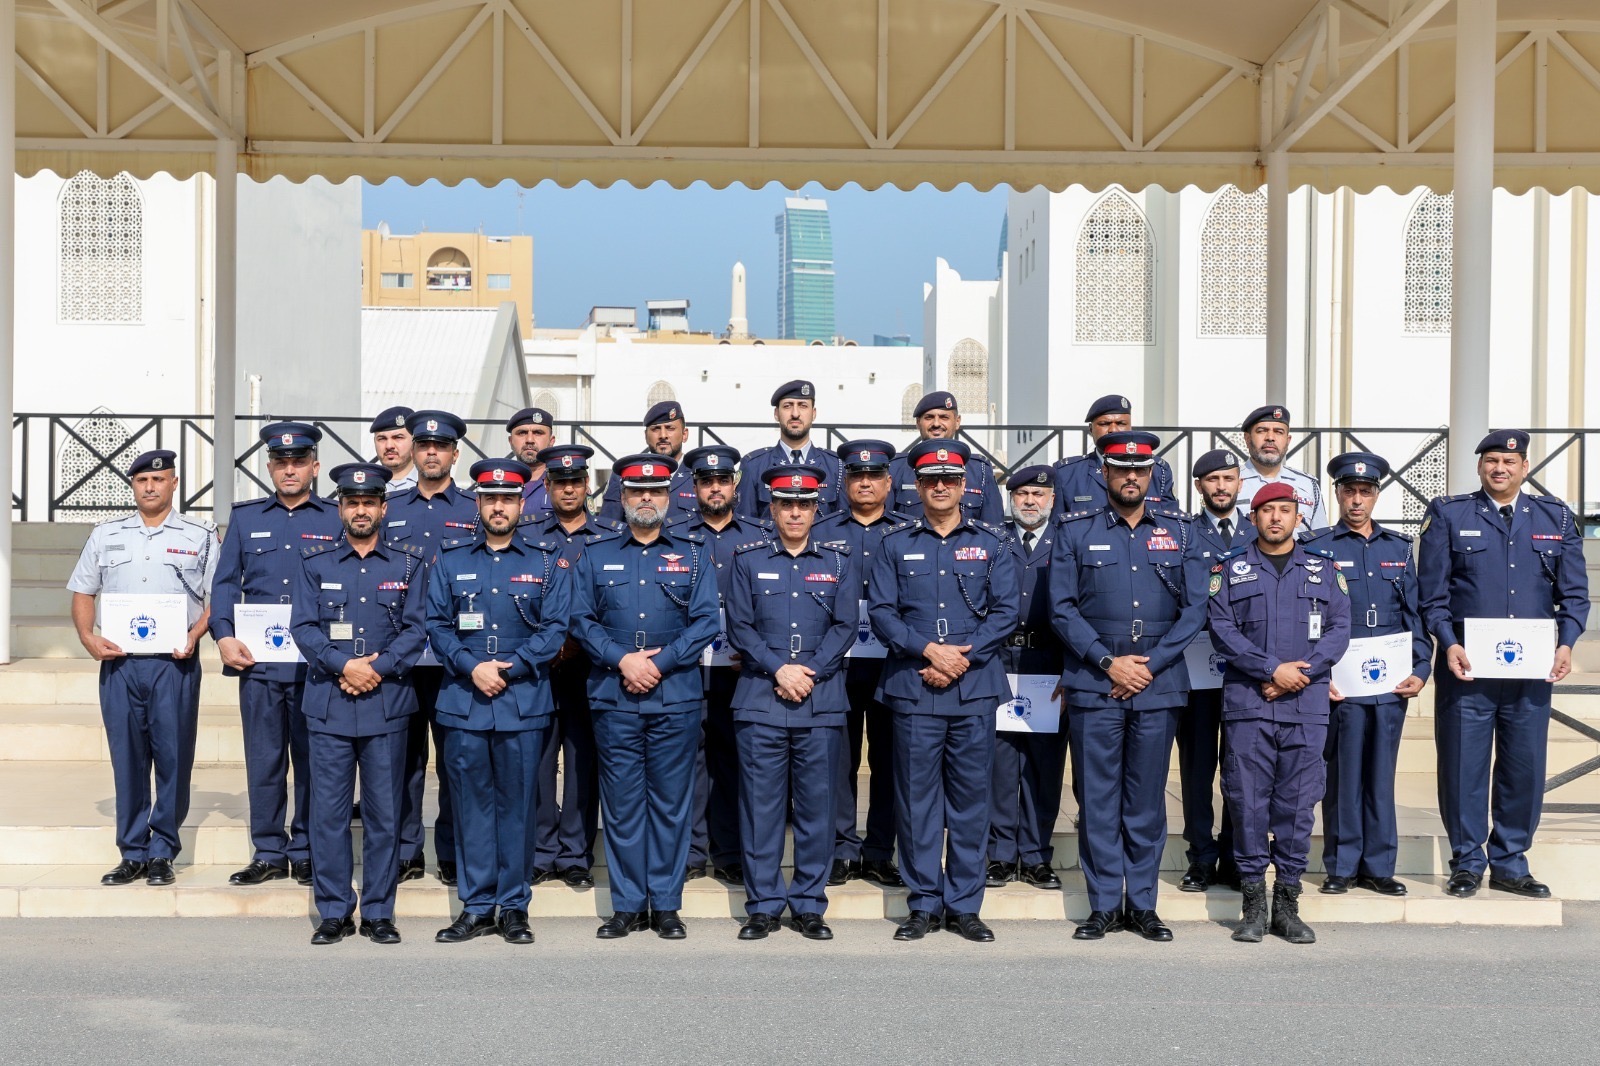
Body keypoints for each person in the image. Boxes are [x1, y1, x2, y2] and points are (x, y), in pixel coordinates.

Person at [1419, 429, 1590, 899]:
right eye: (1491, 461)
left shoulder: (1553, 517)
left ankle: (1511, 861)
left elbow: (1574, 594)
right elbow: (1431, 596)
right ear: (1479, 467)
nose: (1500, 469)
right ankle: (1467, 861)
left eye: (1510, 462)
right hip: (1466, 668)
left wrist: (1567, 643)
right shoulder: (1449, 515)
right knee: (1462, 767)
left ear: (1525, 467)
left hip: (1530, 670)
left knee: (1524, 766)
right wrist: (1448, 642)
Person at [1050, 434, 1206, 941]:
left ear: (1151, 474)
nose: (1131, 477)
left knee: (1145, 801)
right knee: (1097, 799)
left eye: (1140, 470)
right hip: (1096, 683)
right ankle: (1102, 907)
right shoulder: (1075, 531)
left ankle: (1142, 903)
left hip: (1158, 686)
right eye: (1121, 470)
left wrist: (1150, 665)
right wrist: (1108, 662)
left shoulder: (1180, 532)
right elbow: (1062, 609)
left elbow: (1196, 610)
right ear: (1106, 475)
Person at [869, 439, 1019, 943]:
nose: (939, 487)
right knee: (916, 802)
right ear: (917, 484)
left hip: (973, 688)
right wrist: (930, 652)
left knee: (972, 800)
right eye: (930, 480)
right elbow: (883, 612)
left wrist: (961, 657)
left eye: (949, 480)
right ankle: (924, 903)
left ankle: (964, 904)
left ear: (963, 487)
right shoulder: (894, 543)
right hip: (914, 687)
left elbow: (1005, 612)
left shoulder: (994, 542)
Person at [570, 453, 721, 940]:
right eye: (637, 491)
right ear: (623, 497)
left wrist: (658, 662)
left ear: (670, 496)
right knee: (622, 803)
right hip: (615, 697)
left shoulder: (695, 554)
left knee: (671, 803)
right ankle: (629, 904)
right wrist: (623, 660)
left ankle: (668, 904)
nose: (646, 499)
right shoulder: (595, 554)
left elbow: (705, 623)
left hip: (674, 697)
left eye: (655, 491)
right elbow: (580, 620)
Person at [427, 458, 571, 946]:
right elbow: (437, 625)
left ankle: (513, 906)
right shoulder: (450, 560)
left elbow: (555, 629)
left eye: (508, 498)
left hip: (523, 700)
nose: (499, 507)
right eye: (490, 499)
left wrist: (511, 667)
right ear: (479, 504)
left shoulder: (546, 560)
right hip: (465, 701)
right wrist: (474, 667)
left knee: (518, 808)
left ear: (519, 504)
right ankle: (476, 905)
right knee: (470, 807)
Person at [290, 462, 428, 945]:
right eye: (353, 503)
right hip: (328, 702)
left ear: (383, 508)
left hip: (386, 704)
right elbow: (303, 628)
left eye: (370, 502)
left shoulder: (408, 564)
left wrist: (378, 667)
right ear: (341, 508)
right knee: (326, 814)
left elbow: (416, 629)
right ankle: (334, 911)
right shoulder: (315, 563)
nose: (362, 510)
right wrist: (343, 665)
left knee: (384, 815)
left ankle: (378, 912)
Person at [1207, 482, 1350, 945]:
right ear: (1253, 517)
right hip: (1250, 706)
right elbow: (1222, 628)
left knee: (1297, 806)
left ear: (1297, 517)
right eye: (1267, 511)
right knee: (1247, 803)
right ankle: (1253, 904)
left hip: (1304, 706)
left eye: (1285, 510)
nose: (1276, 518)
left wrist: (1298, 674)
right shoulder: (1230, 569)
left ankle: (1287, 904)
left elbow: (1339, 629)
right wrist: (1271, 669)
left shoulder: (1325, 571)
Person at [69, 449, 216, 888]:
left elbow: (216, 598)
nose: (149, 487)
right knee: (127, 760)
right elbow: (82, 591)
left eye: (159, 480)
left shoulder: (200, 535)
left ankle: (162, 852)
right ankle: (131, 852)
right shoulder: (106, 534)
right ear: (133, 485)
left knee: (172, 758)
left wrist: (195, 634)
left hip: (174, 664)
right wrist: (87, 637)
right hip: (121, 665)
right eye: (141, 481)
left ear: (174, 484)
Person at [724, 465, 859, 940]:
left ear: (816, 508)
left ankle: (807, 903)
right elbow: (739, 626)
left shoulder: (839, 561)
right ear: (772, 508)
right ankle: (762, 904)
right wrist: (779, 669)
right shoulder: (747, 558)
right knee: (760, 807)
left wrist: (809, 672)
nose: (795, 512)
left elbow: (845, 627)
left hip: (820, 701)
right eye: (786, 504)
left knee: (817, 807)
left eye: (804, 504)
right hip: (761, 698)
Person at [211, 421, 341, 888]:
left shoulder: (334, 517)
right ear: (269, 467)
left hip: (317, 666)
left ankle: (306, 849)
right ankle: (268, 849)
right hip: (259, 664)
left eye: (299, 462)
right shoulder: (246, 518)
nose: (290, 470)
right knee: (264, 760)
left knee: (313, 761)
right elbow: (224, 583)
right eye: (281, 462)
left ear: (314, 466)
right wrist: (223, 634)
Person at [1301, 451, 1430, 897]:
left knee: (1381, 774)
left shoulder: (1398, 547)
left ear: (1377, 494)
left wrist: (1422, 666)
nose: (1357, 500)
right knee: (1343, 773)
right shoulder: (1317, 547)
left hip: (1390, 678)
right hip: (1343, 678)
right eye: (1349, 491)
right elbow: (1308, 616)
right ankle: (1340, 865)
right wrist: (1319, 673)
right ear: (1337, 493)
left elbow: (1414, 614)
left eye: (1366, 491)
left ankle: (1379, 866)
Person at [385, 409, 479, 885]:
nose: (432, 454)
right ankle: (405, 850)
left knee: (457, 760)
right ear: (414, 452)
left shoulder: (473, 509)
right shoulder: (389, 509)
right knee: (403, 760)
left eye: (441, 447)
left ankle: (452, 849)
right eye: (424, 446)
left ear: (454, 454)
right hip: (400, 658)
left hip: (455, 658)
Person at [812, 440, 908, 888]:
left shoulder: (907, 531)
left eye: (874, 476)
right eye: (857, 476)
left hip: (893, 663)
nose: (865, 483)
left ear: (889, 482)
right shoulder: (823, 530)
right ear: (844, 482)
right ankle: (841, 848)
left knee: (891, 759)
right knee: (838, 759)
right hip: (839, 664)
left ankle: (878, 851)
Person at [674, 444, 771, 885]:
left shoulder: (757, 535)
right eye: (706, 482)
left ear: (735, 485)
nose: (715, 488)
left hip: (738, 669)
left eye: (722, 481)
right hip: (687, 669)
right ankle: (693, 852)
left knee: (734, 761)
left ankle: (730, 851)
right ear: (694, 487)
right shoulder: (674, 535)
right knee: (688, 763)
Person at [526, 444, 618, 888]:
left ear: (587, 486)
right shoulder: (529, 537)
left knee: (584, 763)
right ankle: (542, 851)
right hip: (539, 670)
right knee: (540, 764)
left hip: (590, 668)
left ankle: (576, 853)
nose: (567, 489)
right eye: (559, 483)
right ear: (547, 486)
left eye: (575, 482)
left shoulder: (608, 538)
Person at [987, 465, 1069, 891]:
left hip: (1048, 665)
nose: (1030, 501)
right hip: (1000, 661)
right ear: (1010, 499)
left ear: (1052, 499)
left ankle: (1036, 855)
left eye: (1039, 494)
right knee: (1000, 764)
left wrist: (1071, 672)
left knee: (1043, 765)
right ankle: (1000, 854)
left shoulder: (1066, 541)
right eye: (1022, 495)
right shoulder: (994, 540)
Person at [1177, 448, 1255, 892]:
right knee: (1197, 766)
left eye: (1228, 478)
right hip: (1195, 667)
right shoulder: (1185, 535)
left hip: (1245, 667)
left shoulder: (1258, 529)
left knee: (1242, 767)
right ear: (1199, 487)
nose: (1221, 486)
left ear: (1239, 484)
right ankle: (1201, 855)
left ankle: (1235, 854)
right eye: (1212, 480)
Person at [887, 391, 1003, 524]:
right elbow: (885, 523)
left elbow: (994, 526)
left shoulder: (980, 470)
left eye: (944, 417)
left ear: (957, 421)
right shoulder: (897, 468)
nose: (936, 423)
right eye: (929, 417)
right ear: (918, 423)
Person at [1050, 395, 1176, 517]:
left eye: (1121, 423)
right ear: (1090, 429)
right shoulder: (1067, 474)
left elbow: (1171, 523)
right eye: (1105, 423)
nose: (1113, 430)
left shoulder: (1158, 470)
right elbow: (1056, 528)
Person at [736, 380, 843, 518]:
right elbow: (745, 524)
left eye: (803, 406)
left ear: (814, 413)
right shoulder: (753, 466)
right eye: (787, 406)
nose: (795, 414)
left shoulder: (836, 466)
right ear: (776, 413)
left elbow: (843, 527)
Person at [597, 402, 698, 522]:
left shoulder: (699, 476)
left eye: (670, 428)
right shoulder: (623, 474)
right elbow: (609, 526)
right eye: (656, 429)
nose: (663, 435)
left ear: (684, 434)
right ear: (646, 436)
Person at [1237, 405, 1329, 531]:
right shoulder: (1229, 482)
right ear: (1247, 439)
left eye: (1278, 432)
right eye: (1262, 431)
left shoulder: (1307, 485)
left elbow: (1320, 536)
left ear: (1288, 440)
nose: (1270, 437)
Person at [505, 406, 555, 514]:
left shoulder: (563, 485)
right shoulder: (499, 483)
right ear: (510, 441)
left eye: (538, 433)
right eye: (522, 433)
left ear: (551, 441)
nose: (529, 440)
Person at [369, 406, 416, 495]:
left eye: (398, 437)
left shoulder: (431, 484)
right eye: (382, 439)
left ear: (414, 441)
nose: (389, 446)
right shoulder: (366, 486)